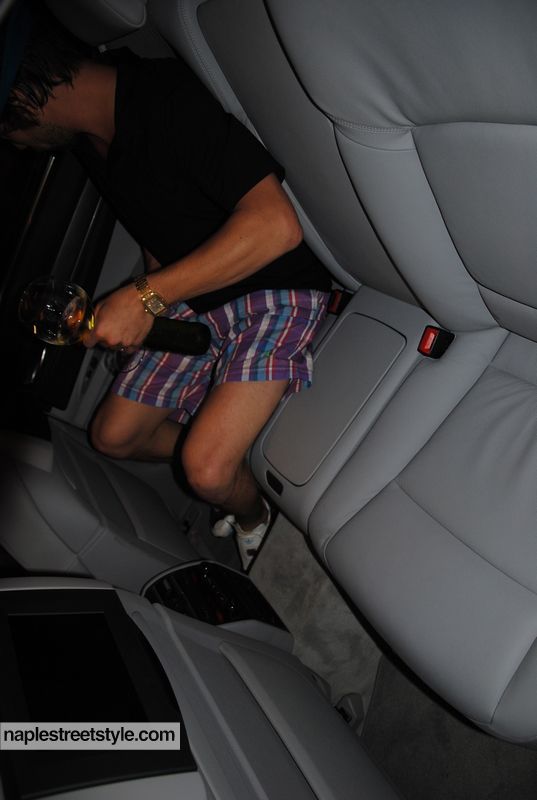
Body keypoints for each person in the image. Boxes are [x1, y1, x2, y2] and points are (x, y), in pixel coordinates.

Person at [0, 2, 331, 568]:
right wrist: (148, 307)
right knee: (112, 437)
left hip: (271, 284)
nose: (12, 142)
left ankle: (254, 515)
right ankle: (227, 441)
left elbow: (277, 227)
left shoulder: (163, 98)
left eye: (6, 126)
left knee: (205, 470)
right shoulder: (90, 141)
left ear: (27, 97)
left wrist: (144, 298)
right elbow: (161, 229)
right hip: (194, 301)